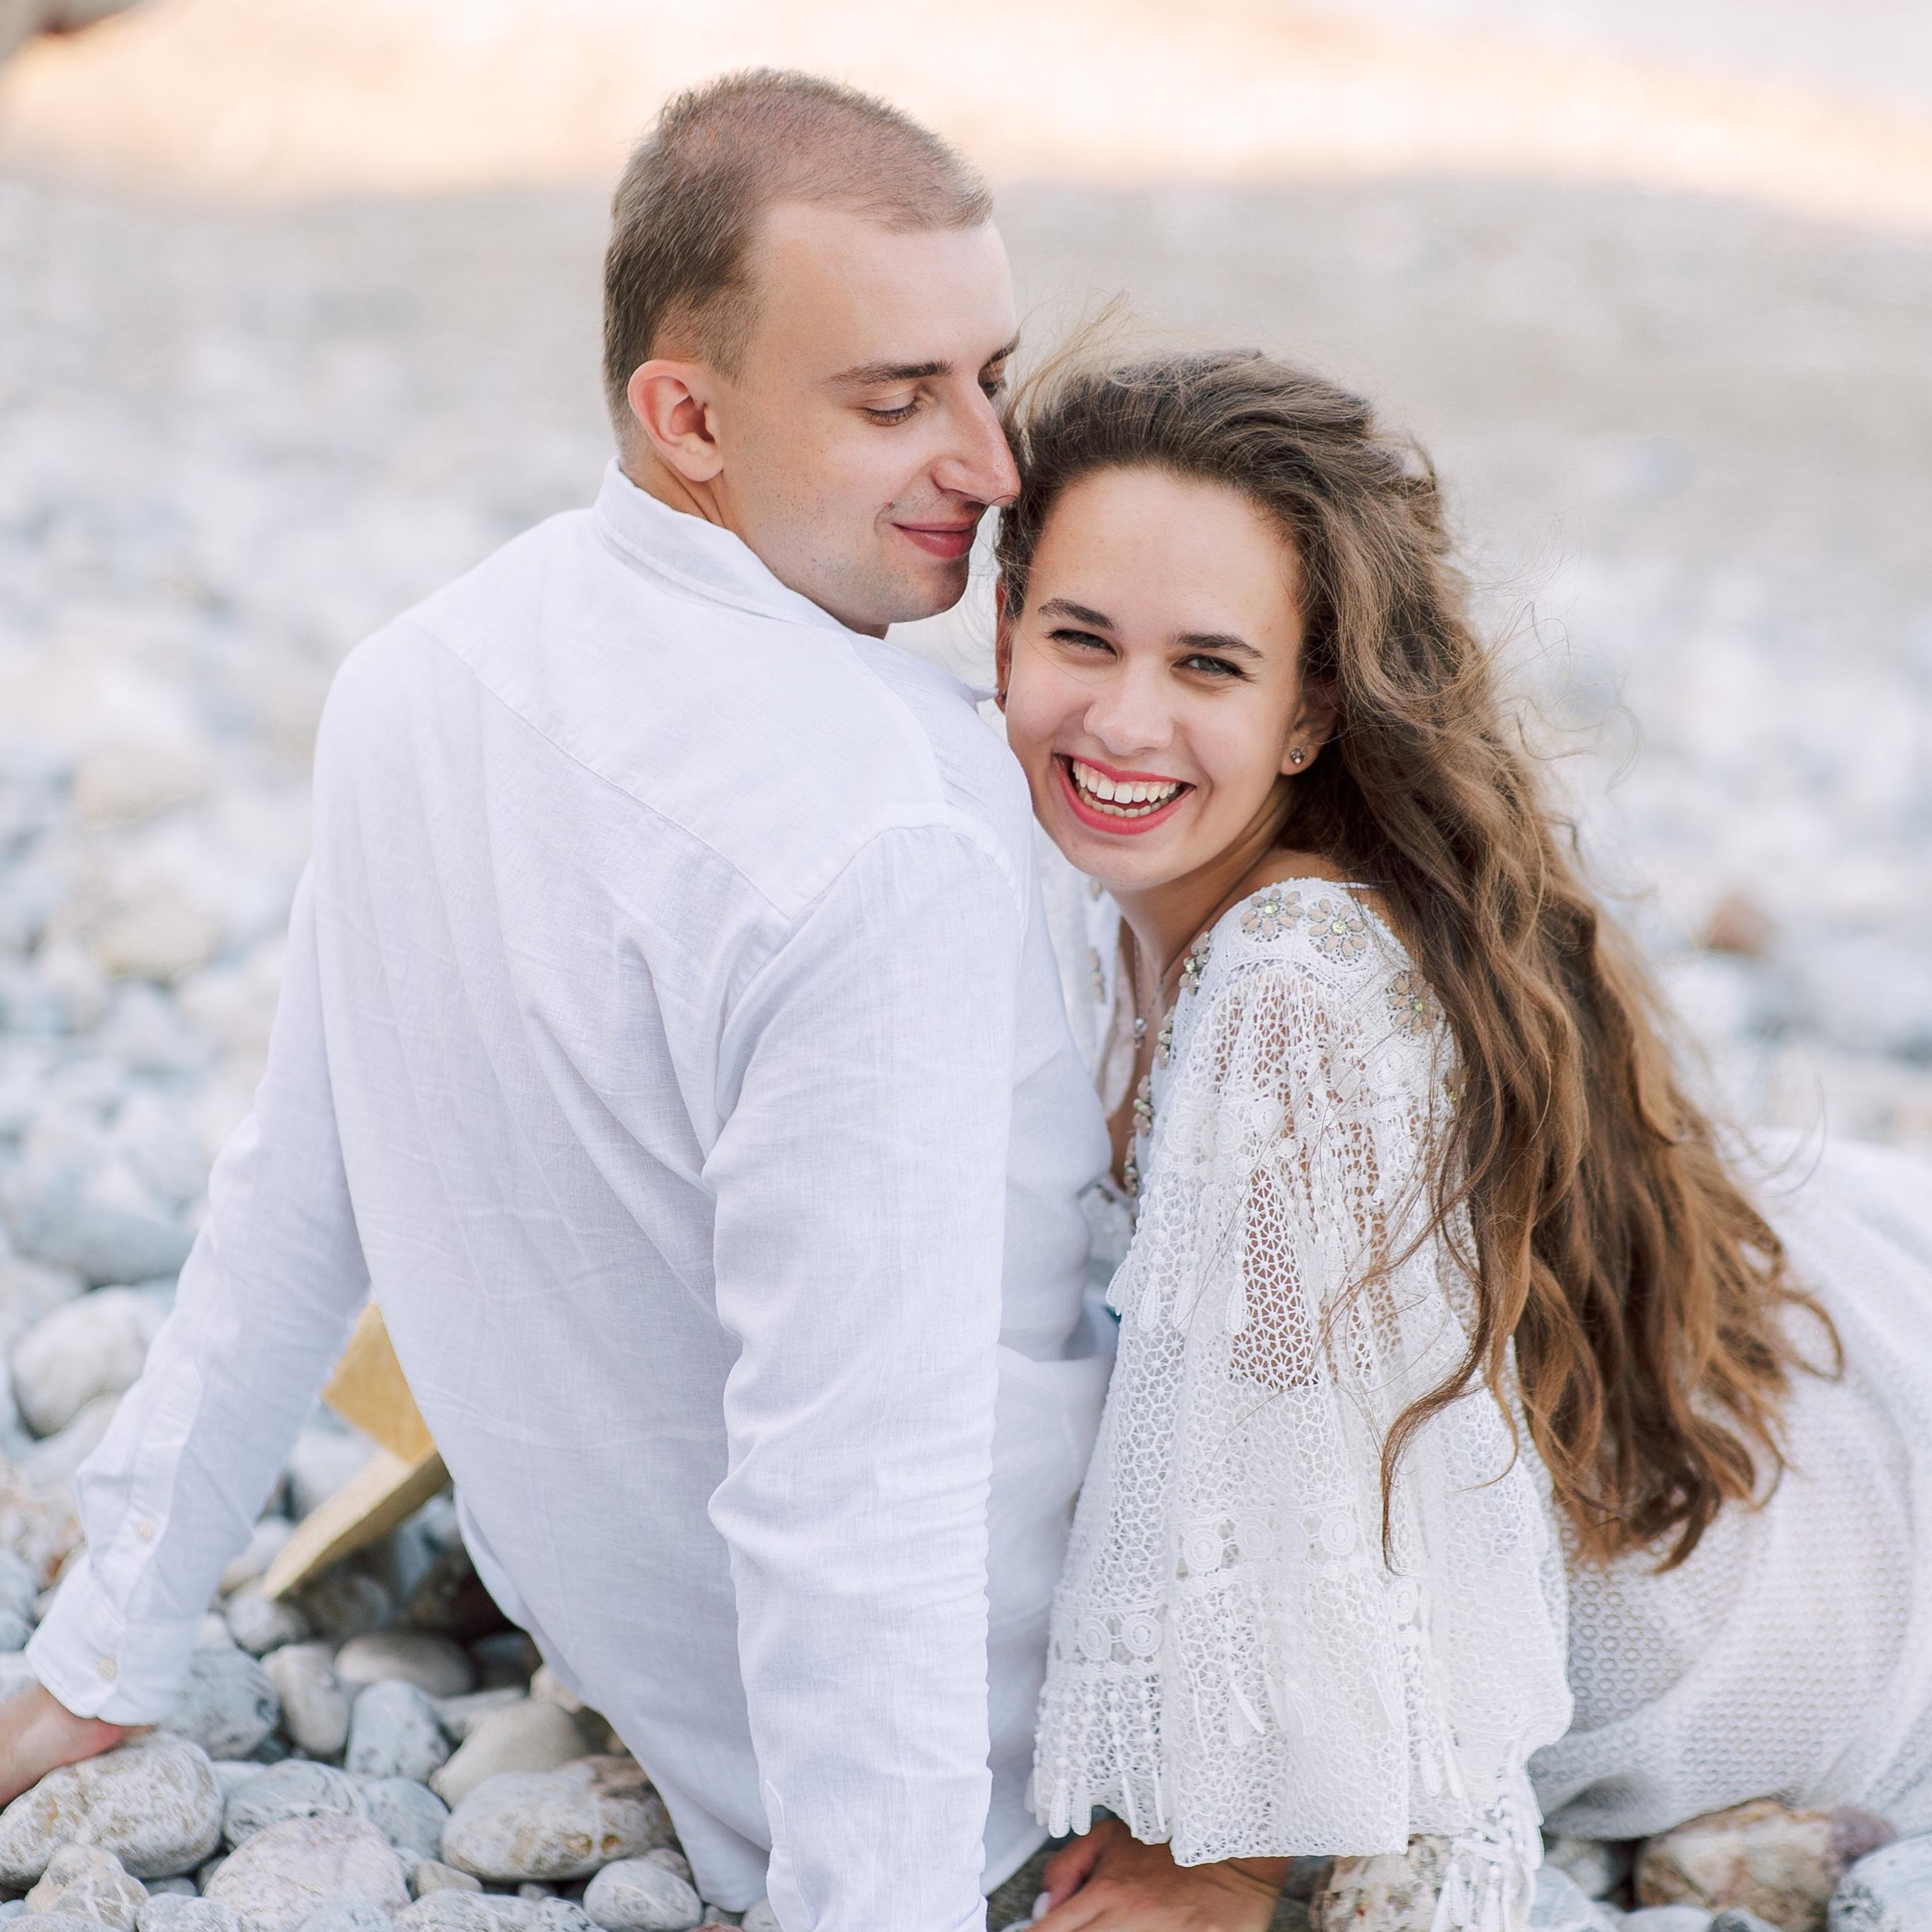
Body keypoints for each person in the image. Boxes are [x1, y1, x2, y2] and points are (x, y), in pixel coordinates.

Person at [0, 72, 1118, 1932]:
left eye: (987, 374)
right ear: (684, 414)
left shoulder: (418, 673)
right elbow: (866, 1490)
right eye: (892, 399)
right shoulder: (889, 831)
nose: (995, 468)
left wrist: (104, 1646)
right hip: (991, 1764)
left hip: (641, 1653)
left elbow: (291, 1196)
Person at [990, 348, 1932, 1930]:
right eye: (1077, 635)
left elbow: (1335, 1481)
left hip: (1738, 1601)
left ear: (1308, 716)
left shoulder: (1292, 977)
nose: (1121, 716)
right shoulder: (1101, 898)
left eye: (1209, 666)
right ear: (1004, 625)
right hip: (1741, 1376)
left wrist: (1220, 1848)